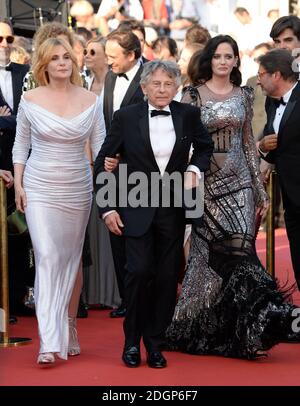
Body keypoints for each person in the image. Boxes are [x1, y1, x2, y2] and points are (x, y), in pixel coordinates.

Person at [166, 35, 300, 360]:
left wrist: (257, 188)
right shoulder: (193, 95)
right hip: (206, 188)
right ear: (209, 60)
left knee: (241, 253)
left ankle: (259, 321)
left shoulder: (245, 96)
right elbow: (184, 145)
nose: (224, 62)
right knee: (207, 260)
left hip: (239, 186)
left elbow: (246, 145)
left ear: (237, 61)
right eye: (219, 56)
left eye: (230, 56)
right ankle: (204, 328)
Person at [94, 60, 213, 368]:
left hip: (174, 207)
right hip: (135, 204)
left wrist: (194, 169)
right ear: (144, 87)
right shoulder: (126, 117)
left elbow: (205, 147)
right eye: (156, 84)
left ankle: (156, 344)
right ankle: (132, 341)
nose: (162, 89)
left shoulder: (189, 115)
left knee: (166, 277)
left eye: (168, 84)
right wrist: (107, 208)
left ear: (177, 88)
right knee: (138, 271)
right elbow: (103, 161)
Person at [12, 37, 106, 364]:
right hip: (39, 185)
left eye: (67, 57)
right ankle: (48, 342)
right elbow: (20, 146)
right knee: (48, 255)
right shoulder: (30, 99)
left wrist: (103, 185)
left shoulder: (90, 100)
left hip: (77, 187)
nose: (62, 62)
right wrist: (20, 186)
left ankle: (67, 324)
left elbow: (101, 147)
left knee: (70, 259)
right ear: (45, 65)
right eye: (55, 58)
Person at [103, 30, 145, 318]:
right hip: (111, 169)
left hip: (141, 171)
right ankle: (127, 299)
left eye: (113, 57)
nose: (108, 63)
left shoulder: (152, 78)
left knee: (140, 235)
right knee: (115, 234)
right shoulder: (109, 77)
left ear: (131, 55)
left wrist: (125, 154)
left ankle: (144, 298)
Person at [257, 49, 300, 291]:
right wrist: (263, 148)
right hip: (291, 198)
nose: (258, 79)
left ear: (276, 75)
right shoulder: (272, 101)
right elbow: (274, 141)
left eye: (261, 74)